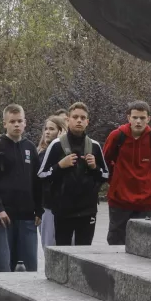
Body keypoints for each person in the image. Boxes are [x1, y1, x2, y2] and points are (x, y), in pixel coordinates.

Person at [0, 104, 42, 272]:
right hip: (3, 215)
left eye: (19, 121)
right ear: (5, 123)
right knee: (4, 265)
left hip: (28, 215)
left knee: (30, 266)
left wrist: (39, 210)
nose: (16, 124)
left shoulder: (30, 147)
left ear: (25, 123)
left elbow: (38, 181)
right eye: (12, 121)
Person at [38, 103, 108, 246]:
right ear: (68, 120)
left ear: (87, 121)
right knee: (62, 254)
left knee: (84, 254)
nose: (79, 120)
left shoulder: (94, 146)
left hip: (88, 211)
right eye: (75, 117)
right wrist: (59, 166)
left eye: (83, 118)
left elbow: (106, 176)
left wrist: (95, 167)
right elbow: (41, 175)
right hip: (63, 211)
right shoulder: (56, 145)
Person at [103, 101, 151, 245]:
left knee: (142, 243)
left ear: (148, 119)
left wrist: (150, 188)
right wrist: (115, 182)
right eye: (135, 117)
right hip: (119, 200)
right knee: (116, 242)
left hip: (143, 202)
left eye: (142, 118)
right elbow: (105, 162)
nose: (138, 121)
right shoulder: (116, 136)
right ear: (128, 118)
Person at [36, 116, 65, 247]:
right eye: (46, 129)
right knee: (49, 247)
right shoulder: (42, 154)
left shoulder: (67, 152)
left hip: (66, 207)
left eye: (51, 129)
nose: (47, 132)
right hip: (47, 207)